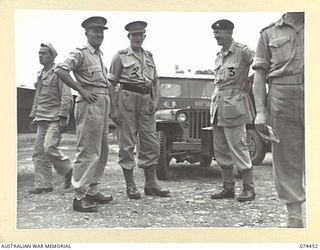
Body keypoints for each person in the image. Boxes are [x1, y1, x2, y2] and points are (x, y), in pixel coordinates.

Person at [55, 16, 113, 212]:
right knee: (88, 150)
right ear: (86, 33)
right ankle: (79, 196)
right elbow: (61, 70)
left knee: (102, 149)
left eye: (101, 31)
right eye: (95, 31)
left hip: (102, 102)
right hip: (90, 102)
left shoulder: (98, 54)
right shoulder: (81, 52)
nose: (99, 35)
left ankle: (91, 190)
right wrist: (81, 90)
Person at [252, 12, 305, 228]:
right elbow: (259, 75)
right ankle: (295, 216)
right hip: (282, 96)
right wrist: (260, 112)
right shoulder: (269, 33)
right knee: (286, 157)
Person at [108, 21, 170, 199]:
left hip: (146, 100)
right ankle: (131, 185)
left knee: (150, 142)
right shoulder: (120, 56)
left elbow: (156, 80)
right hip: (127, 98)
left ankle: (151, 184)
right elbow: (111, 84)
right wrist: (114, 109)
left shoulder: (149, 56)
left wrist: (155, 100)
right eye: (134, 35)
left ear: (145, 36)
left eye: (140, 34)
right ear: (129, 37)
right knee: (127, 143)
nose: (137, 38)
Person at [209, 19, 256, 202]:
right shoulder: (219, 55)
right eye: (214, 33)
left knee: (238, 146)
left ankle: (249, 189)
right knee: (220, 149)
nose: (216, 36)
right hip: (218, 106)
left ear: (228, 32)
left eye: (218, 33)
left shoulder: (242, 51)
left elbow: (260, 65)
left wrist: (249, 81)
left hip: (235, 105)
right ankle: (228, 187)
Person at [29, 43, 73, 194]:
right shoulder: (40, 74)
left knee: (49, 147)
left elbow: (67, 97)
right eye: (39, 53)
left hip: (55, 118)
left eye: (44, 53)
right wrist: (34, 115)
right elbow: (38, 97)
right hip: (42, 118)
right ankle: (43, 185)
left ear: (52, 56)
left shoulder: (59, 72)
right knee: (39, 153)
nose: (40, 56)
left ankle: (68, 170)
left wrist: (63, 117)